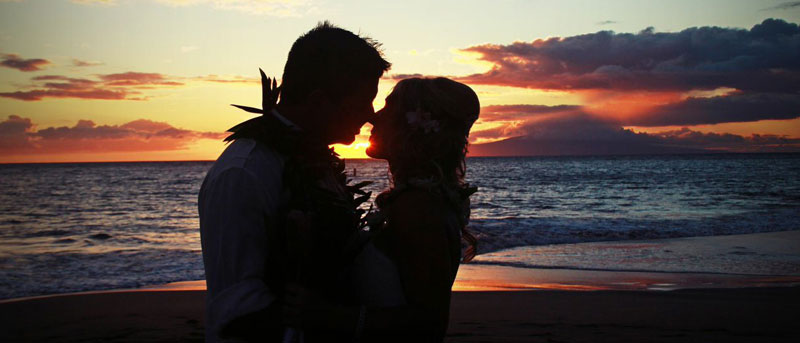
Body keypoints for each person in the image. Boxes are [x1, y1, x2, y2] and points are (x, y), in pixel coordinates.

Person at [198, 22, 390, 343]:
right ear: (318, 101)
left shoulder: (316, 162)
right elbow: (236, 314)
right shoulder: (244, 173)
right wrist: (328, 318)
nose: (370, 115)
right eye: (362, 101)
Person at [283, 77, 480, 342]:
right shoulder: (418, 200)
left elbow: (429, 324)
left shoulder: (418, 208)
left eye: (389, 108)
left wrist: (327, 316)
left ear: (415, 126)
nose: (374, 117)